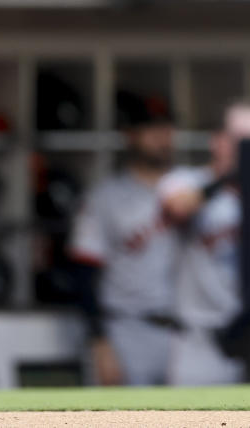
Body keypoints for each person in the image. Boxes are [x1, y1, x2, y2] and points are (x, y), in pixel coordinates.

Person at [68, 92, 182, 387]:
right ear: (131, 135)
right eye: (152, 129)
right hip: (129, 329)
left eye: (167, 129)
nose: (162, 138)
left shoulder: (190, 188)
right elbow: (83, 273)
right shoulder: (105, 198)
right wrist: (99, 342)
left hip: (189, 332)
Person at [158, 99, 250, 386]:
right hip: (200, 338)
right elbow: (177, 207)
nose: (249, 151)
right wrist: (228, 177)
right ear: (218, 141)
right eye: (241, 141)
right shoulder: (187, 180)